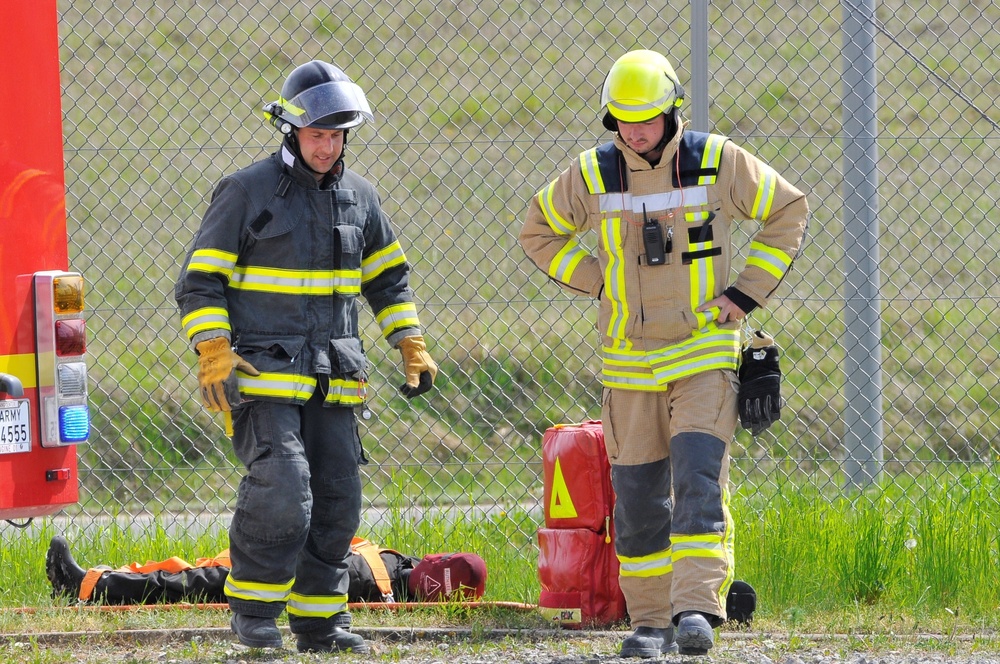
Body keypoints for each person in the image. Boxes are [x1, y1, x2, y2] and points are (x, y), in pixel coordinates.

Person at [519, 50, 807, 657]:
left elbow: (786, 209)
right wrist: (597, 280)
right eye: (622, 119)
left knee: (699, 479)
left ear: (672, 111)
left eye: (645, 118)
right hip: (629, 364)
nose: (634, 130)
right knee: (640, 493)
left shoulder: (716, 160)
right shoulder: (593, 174)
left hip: (702, 355)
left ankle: (697, 610)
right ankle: (649, 620)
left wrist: (743, 293)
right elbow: (538, 233)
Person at [174, 60, 438, 653]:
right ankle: (255, 615)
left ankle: (321, 622)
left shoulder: (360, 199)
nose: (327, 146)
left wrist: (409, 342)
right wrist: (213, 348)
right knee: (283, 488)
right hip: (264, 377)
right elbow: (199, 282)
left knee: (339, 499)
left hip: (337, 380)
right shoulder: (246, 192)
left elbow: (388, 281)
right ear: (292, 131)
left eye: (337, 135)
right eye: (318, 134)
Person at [44, 535, 487, 608]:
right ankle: (93, 582)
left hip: (278, 573)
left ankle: (89, 588)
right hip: (285, 559)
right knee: (190, 573)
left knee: (192, 583)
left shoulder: (381, 579)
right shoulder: (399, 571)